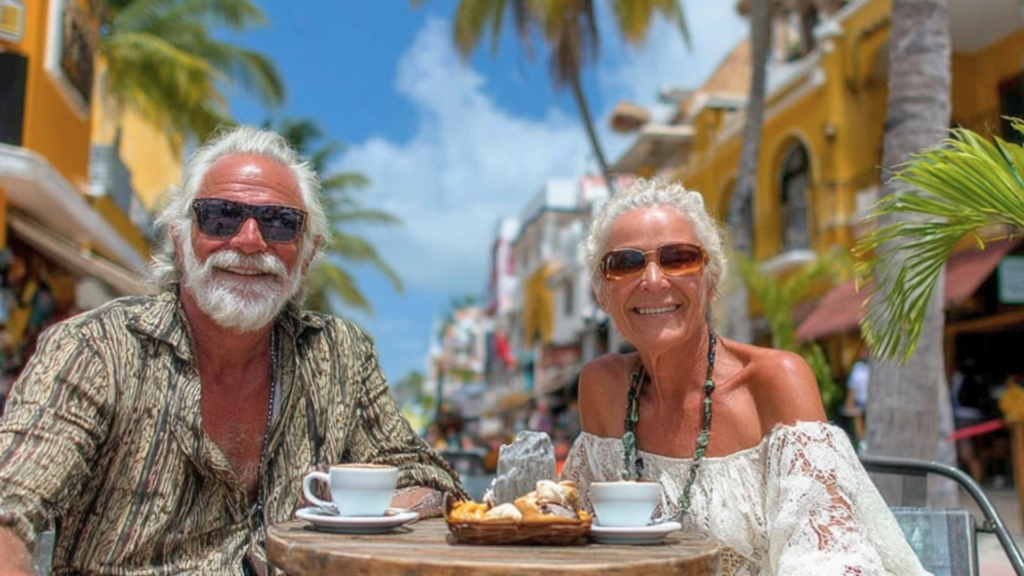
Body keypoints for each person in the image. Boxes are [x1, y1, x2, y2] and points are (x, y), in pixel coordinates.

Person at [0, 126, 466, 576]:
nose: (249, 241)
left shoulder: (339, 352)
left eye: (280, 224)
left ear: (306, 255)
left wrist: (348, 515)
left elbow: (430, 479)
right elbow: (8, 504)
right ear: (180, 240)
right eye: (220, 217)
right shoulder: (97, 349)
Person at [561, 178, 927, 575]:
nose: (652, 280)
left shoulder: (774, 381)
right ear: (602, 293)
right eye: (626, 263)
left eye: (678, 258)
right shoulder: (603, 388)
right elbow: (577, 536)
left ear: (711, 281)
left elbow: (830, 558)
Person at [841, 347, 870, 449]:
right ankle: (862, 443)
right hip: (860, 403)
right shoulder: (858, 368)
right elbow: (852, 388)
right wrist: (849, 405)